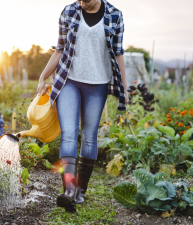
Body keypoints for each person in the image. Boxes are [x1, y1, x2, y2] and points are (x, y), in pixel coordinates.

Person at [37, 0, 129, 212]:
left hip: (98, 83)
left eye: (86, 1)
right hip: (68, 80)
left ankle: (80, 191)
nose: (82, 4)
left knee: (89, 135)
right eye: (80, 0)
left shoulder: (115, 15)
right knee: (68, 133)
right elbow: (59, 49)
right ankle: (68, 190)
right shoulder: (69, 11)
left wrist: (123, 86)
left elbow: (118, 52)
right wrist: (43, 77)